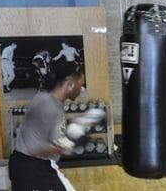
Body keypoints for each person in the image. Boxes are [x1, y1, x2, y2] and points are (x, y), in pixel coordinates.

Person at [8, 63, 104, 191]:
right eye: (81, 83)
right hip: (35, 168)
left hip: (24, 165)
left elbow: (49, 133)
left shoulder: (47, 99)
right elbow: (34, 149)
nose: (82, 88)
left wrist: (84, 123)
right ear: (69, 84)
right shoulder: (49, 105)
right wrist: (68, 145)